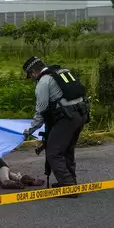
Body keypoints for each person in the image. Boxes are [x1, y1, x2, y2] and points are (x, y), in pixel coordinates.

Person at [21, 56, 90, 198]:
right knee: (67, 150)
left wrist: (29, 131)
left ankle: (68, 187)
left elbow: (41, 111)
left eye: (31, 75)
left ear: (34, 72)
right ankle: (70, 182)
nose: (32, 78)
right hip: (81, 114)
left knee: (53, 152)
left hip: (67, 118)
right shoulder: (62, 71)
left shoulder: (43, 82)